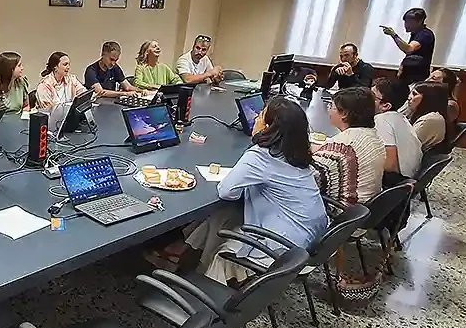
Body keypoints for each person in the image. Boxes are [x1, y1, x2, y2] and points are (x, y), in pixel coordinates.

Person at [160, 97, 328, 283]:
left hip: (282, 247)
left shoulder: (261, 156)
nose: (255, 118)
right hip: (310, 236)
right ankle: (185, 254)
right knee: (224, 215)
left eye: (260, 116)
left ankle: (206, 292)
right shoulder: (297, 154)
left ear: (268, 127)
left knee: (226, 220)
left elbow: (226, 191)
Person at [312, 87, 386, 207]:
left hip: (339, 211)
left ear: (345, 114)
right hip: (363, 209)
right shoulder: (373, 136)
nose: (329, 109)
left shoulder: (341, 149)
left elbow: (308, 179)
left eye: (331, 106)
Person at [371, 78, 423, 180]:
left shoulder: (382, 120)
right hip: (411, 174)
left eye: (372, 96)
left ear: (385, 106)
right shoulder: (399, 117)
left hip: (397, 180)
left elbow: (389, 166)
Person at [380, 7, 435, 85]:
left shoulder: (425, 34)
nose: (406, 25)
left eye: (409, 22)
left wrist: (393, 35)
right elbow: (411, 54)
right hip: (407, 75)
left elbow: (409, 49)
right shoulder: (415, 34)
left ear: (419, 21)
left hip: (416, 77)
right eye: (405, 22)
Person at [409, 81, 449, 150]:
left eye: (414, 94)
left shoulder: (429, 120)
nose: (409, 97)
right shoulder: (433, 116)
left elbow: (405, 145)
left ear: (429, 98)